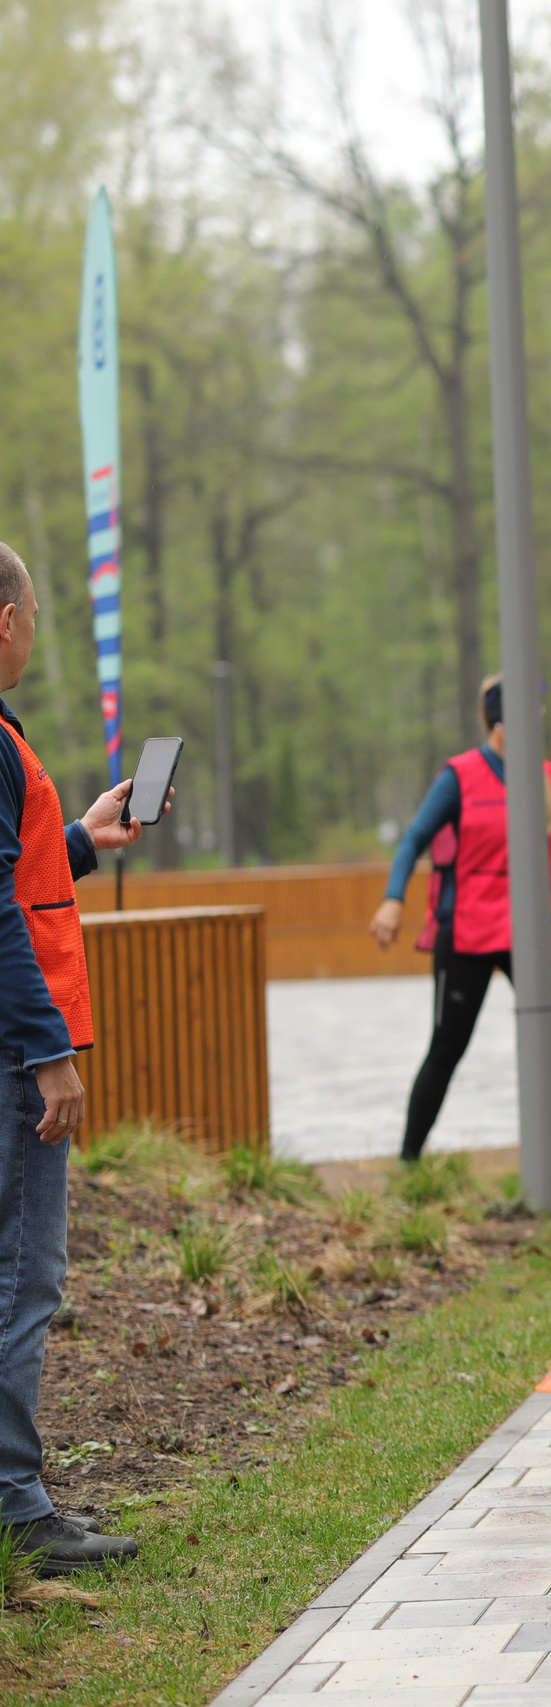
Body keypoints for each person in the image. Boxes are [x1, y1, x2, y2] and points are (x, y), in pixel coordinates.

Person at [0, 541, 145, 1573]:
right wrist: (48, 1050)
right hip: (13, 1055)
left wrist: (86, 837)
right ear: (7, 620)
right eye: (37, 615)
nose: (36, 632)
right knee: (21, 1280)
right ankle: (15, 1508)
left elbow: (23, 876)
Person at [370, 675, 551, 1191]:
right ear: (500, 721)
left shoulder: (547, 778)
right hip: (468, 932)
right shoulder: (460, 776)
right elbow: (414, 837)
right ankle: (407, 1166)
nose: (535, 720)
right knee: (448, 1045)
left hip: (533, 933)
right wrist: (392, 899)